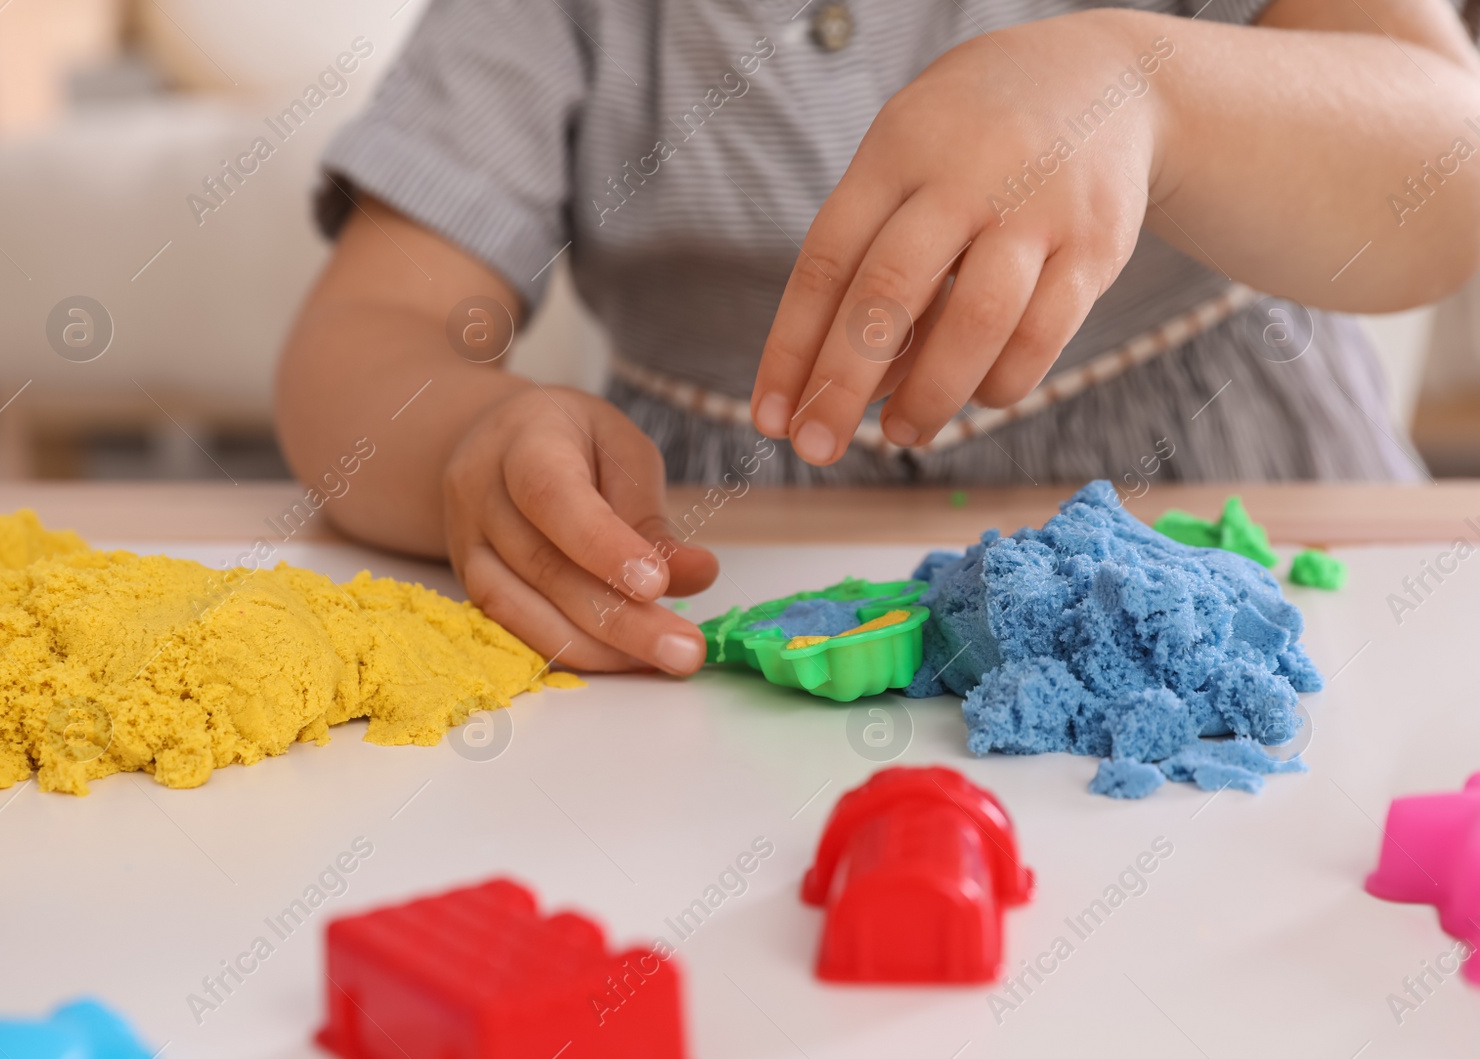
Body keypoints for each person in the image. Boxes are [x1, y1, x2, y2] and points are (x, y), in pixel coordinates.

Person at [276, 0, 1480, 678]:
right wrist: (466, 439)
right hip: (725, 570)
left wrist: (1154, 86)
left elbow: (1448, 163)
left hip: (1241, 513)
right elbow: (366, 333)